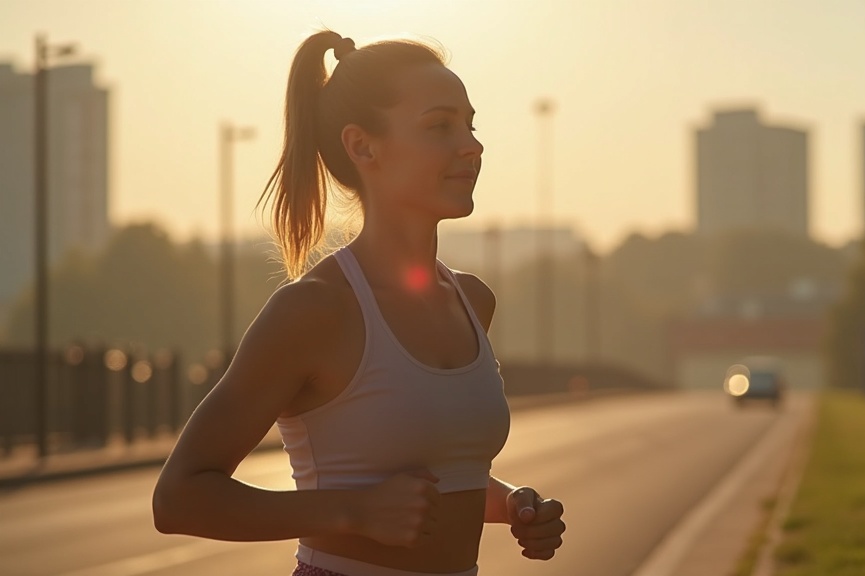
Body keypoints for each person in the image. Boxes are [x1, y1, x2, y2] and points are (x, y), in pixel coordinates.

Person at [152, 29, 566, 576]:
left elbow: (442, 475)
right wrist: (354, 512)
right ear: (362, 145)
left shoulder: (472, 300)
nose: (472, 145)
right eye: (440, 126)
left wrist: (513, 503)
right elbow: (179, 498)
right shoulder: (315, 311)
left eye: (470, 124)